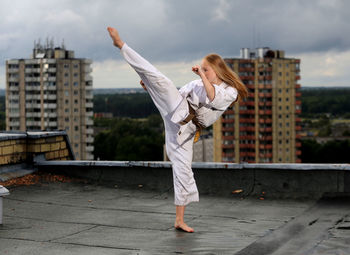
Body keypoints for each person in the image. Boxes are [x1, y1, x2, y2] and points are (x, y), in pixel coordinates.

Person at [107, 27, 248, 232]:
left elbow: (212, 97)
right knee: (161, 82)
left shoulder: (230, 91)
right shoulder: (196, 83)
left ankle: (179, 220)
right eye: (202, 68)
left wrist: (202, 77)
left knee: (183, 171)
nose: (202, 71)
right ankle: (121, 45)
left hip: (186, 130)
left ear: (216, 71)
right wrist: (151, 88)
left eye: (206, 69)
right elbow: (175, 95)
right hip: (177, 112)